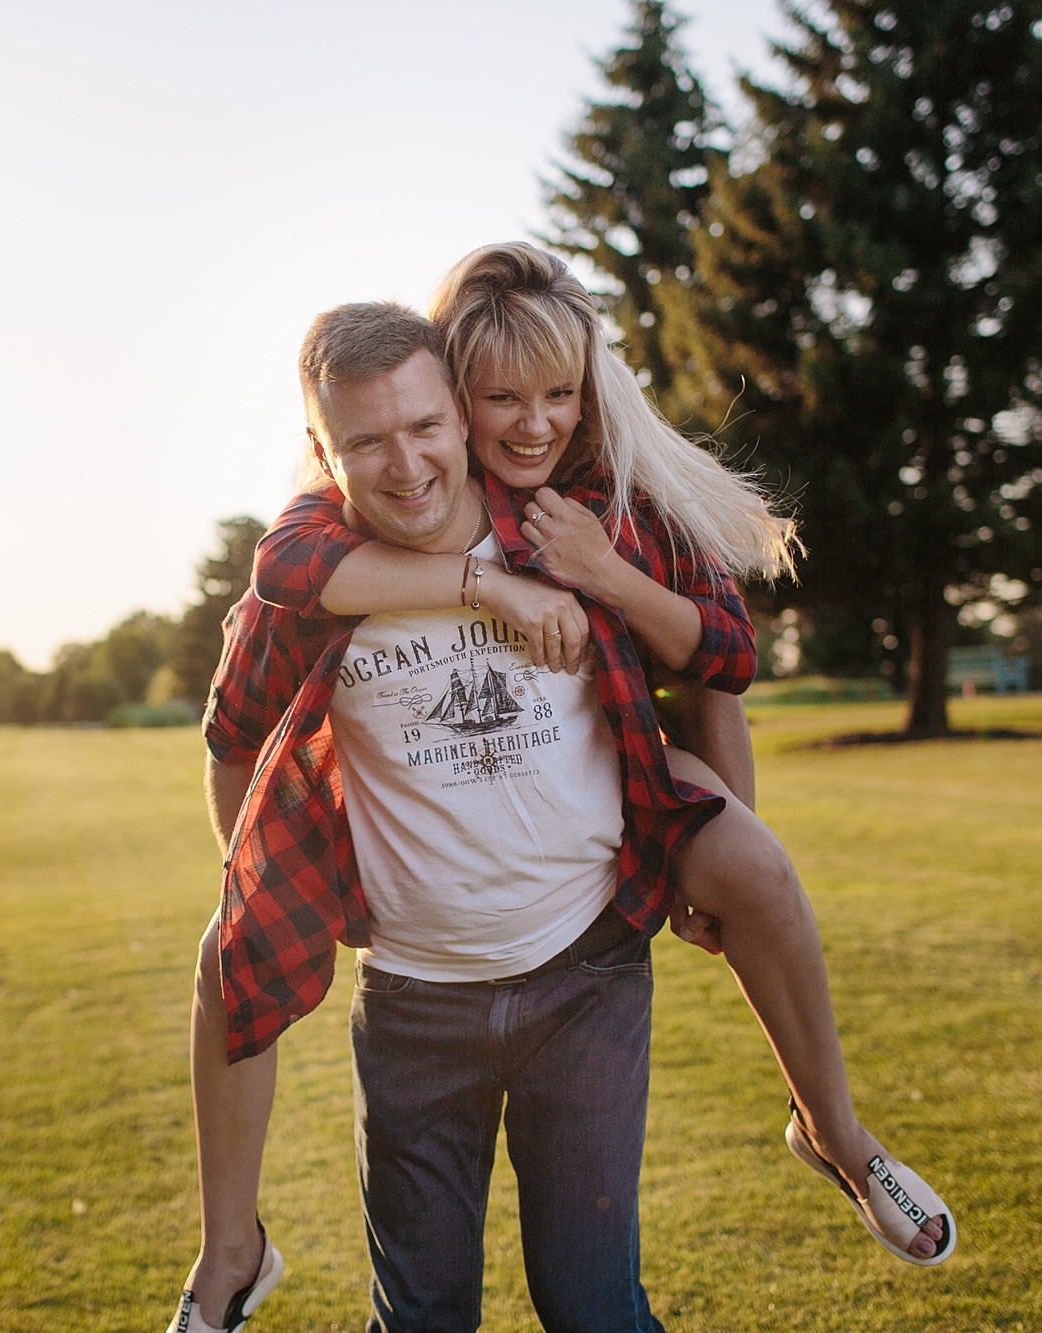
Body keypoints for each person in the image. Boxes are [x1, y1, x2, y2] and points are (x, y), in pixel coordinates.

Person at [248, 244, 954, 1275]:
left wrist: (602, 573)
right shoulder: (397, 505)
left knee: (757, 869)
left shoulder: (614, 508)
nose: (533, 422)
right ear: (454, 393)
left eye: (559, 395)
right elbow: (284, 564)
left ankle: (833, 1130)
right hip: (446, 928)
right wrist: (486, 586)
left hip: (625, 792)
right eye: (500, 398)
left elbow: (724, 662)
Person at [180, 301, 696, 1332]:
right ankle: (228, 1249)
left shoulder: (561, 539)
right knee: (419, 1318)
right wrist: (306, 889)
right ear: (325, 454)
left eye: (422, 426)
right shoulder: (301, 600)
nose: (404, 463)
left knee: (594, 1307)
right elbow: (232, 744)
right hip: (416, 1002)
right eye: (364, 441)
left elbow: (705, 655)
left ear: (462, 418)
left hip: (585, 976)